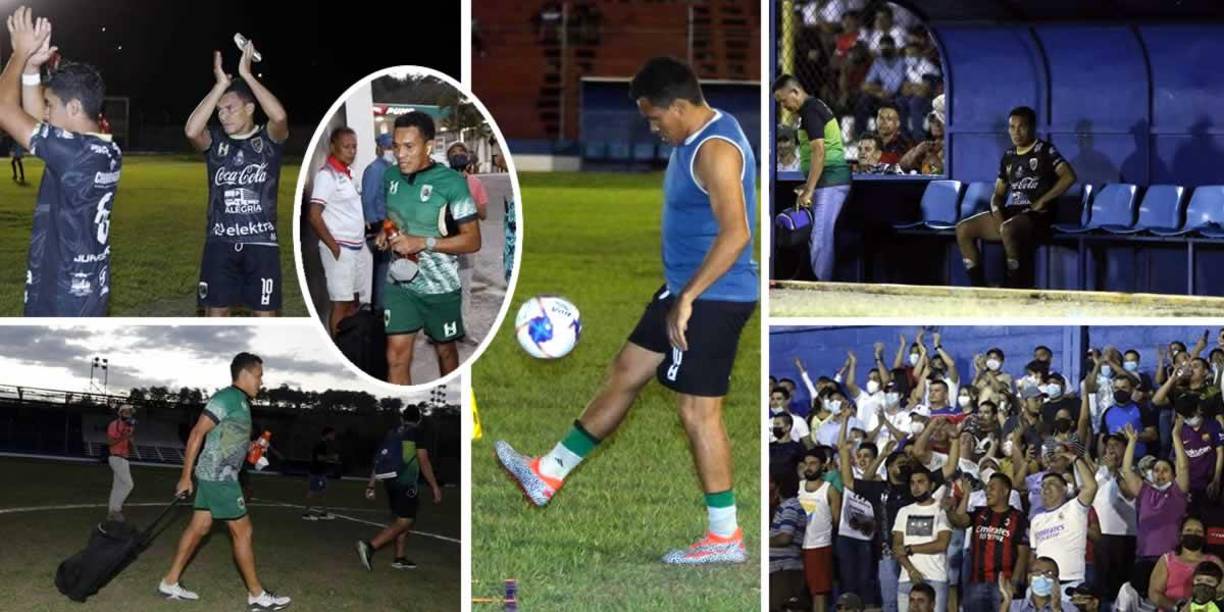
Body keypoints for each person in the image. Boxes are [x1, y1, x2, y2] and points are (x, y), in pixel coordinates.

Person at [496, 57, 757, 565]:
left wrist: (688, 298)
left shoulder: (716, 151)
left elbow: (737, 233)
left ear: (679, 106)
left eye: (655, 117)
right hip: (684, 289)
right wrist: (679, 292)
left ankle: (724, 537)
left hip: (714, 297)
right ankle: (548, 473)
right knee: (625, 371)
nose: (652, 127)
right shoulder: (691, 138)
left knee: (697, 412)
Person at [0, 8, 120, 316]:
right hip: (88, 291)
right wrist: (32, 71)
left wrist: (20, 53)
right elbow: (39, 118)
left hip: (59, 294)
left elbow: (4, 109)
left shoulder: (74, 155)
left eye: (51, 104)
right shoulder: (106, 151)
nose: (46, 113)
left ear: (76, 107)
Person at [158, 353, 291, 610]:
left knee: (199, 528)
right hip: (219, 477)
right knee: (243, 530)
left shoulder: (240, 403)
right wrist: (185, 476)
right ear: (244, 374)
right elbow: (197, 432)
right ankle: (257, 596)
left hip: (217, 474)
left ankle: (170, 582)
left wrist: (253, 448)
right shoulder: (227, 397)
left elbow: (228, 438)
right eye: (259, 376)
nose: (261, 383)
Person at [377, 111, 481, 385]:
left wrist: (424, 242)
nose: (400, 154)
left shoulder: (453, 183)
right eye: (395, 146)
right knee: (396, 357)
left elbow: (473, 240)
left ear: (428, 146)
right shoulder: (390, 177)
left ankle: (447, 401)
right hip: (400, 284)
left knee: (445, 351)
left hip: (440, 288)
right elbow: (393, 217)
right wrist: (383, 232)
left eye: (408, 146)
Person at [185, 42, 288, 317]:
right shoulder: (216, 141)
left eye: (230, 108)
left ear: (250, 108)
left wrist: (247, 74)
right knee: (214, 317)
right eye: (220, 111)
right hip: (220, 244)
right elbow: (192, 131)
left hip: (262, 245)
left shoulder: (269, 139)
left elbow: (279, 116)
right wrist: (220, 86)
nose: (222, 115)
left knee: (265, 318)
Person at [954, 106, 1077, 288]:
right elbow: (998, 193)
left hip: (1038, 214)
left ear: (1032, 128)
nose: (1016, 132)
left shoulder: (1045, 150)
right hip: (1013, 211)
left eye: (1021, 127)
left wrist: (1043, 200)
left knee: (1008, 229)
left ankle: (1015, 287)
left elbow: (1069, 177)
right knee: (963, 228)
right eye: (1012, 127)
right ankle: (978, 287)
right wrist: (996, 210)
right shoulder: (1009, 156)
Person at [771, 74, 851, 282]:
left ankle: (822, 290)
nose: (783, 106)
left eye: (783, 100)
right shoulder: (812, 108)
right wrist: (809, 185)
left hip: (830, 181)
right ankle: (817, 281)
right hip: (825, 182)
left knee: (820, 238)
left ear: (795, 92)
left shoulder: (810, 111)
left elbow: (819, 151)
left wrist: (809, 189)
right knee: (815, 236)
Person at [357, 404, 443, 571]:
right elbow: (423, 461)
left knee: (402, 519)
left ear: (402, 418)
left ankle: (399, 557)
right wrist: (435, 486)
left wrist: (371, 484)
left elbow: (380, 460)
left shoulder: (393, 433)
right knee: (406, 520)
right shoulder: (416, 433)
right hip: (406, 483)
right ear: (419, 420)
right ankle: (370, 546)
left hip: (390, 481)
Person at [308, 127, 371, 336]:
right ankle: (339, 346)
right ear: (333, 147)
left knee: (352, 302)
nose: (351, 151)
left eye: (354, 147)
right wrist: (335, 248)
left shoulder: (349, 174)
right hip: (340, 250)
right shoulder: (327, 176)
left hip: (355, 248)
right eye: (346, 146)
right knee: (340, 305)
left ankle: (350, 346)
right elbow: (314, 216)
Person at [949, 472, 1030, 611]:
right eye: (987, 487)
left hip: (1004, 585)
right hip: (976, 583)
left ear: (1005, 491)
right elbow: (959, 521)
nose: (987, 491)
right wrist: (965, 496)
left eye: (992, 487)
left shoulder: (1018, 518)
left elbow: (1023, 553)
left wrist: (1015, 582)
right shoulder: (979, 513)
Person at [1028, 448, 1099, 587]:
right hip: (1041, 584)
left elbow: (1091, 487)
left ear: (1065, 489)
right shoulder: (1036, 520)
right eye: (1043, 485)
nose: (1046, 488)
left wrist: (1075, 459)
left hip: (1071, 582)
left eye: (1052, 484)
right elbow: (1033, 554)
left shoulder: (1075, 508)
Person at [1121, 419, 1190, 561]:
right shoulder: (1144, 491)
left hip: (1171, 557)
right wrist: (1132, 441)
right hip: (1144, 556)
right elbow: (1127, 470)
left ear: (1173, 475)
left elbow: (1183, 467)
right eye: (1156, 470)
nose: (1160, 474)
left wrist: (1176, 436)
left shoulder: (1177, 492)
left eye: (1165, 470)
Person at [446, 141, 489, 343]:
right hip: (446, 243)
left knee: (464, 289)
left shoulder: (475, 183)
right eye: (453, 154)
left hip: (468, 242)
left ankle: (463, 330)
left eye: (461, 154)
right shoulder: (441, 181)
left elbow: (483, 214)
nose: (458, 157)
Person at [893, 467, 952, 612]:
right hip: (907, 578)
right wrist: (911, 570)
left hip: (935, 577)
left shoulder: (942, 510)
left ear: (931, 485)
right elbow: (897, 547)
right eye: (912, 483)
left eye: (920, 482)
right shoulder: (904, 511)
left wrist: (910, 549)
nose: (916, 487)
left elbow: (942, 544)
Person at [1148, 516, 1224, 610]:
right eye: (1188, 530)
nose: (1193, 534)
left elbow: (1222, 591)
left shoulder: (1214, 561)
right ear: (1181, 535)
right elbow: (1154, 593)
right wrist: (1176, 607)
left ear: (1204, 536)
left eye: (1198, 531)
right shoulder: (1167, 560)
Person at [799, 449, 841, 611]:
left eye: (813, 463)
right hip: (797, 544)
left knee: (819, 593)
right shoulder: (798, 486)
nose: (808, 467)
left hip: (819, 546)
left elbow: (836, 521)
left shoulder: (830, 490)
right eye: (806, 464)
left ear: (823, 465)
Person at [361, 133, 395, 308]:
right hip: (378, 225)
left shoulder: (390, 168)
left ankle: (383, 309)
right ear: (380, 149)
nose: (391, 151)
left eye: (393, 147)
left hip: (388, 224)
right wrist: (371, 221)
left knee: (386, 270)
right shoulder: (375, 169)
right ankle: (379, 312)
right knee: (382, 270)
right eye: (388, 147)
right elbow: (368, 198)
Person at [769, 472, 808, 611]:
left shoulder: (790, 507)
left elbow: (785, 537)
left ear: (779, 486)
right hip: (782, 569)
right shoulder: (789, 506)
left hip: (784, 570)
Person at [998, 556, 1080, 611]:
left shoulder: (1070, 609)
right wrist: (1006, 601)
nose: (1042, 577)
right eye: (1037, 572)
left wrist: (1057, 609)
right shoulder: (1014, 606)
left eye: (1049, 573)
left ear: (1057, 580)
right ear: (1029, 577)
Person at [106, 404, 136, 522]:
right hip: (116, 457)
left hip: (124, 458)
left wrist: (131, 441)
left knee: (117, 487)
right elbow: (110, 442)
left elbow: (131, 448)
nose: (129, 415)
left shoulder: (129, 427)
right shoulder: (114, 424)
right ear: (121, 413)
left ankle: (111, 513)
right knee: (129, 485)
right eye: (126, 412)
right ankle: (116, 510)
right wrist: (124, 437)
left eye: (130, 413)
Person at [302, 426, 339, 521]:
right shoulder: (321, 444)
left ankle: (323, 513)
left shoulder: (323, 444)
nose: (334, 436)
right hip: (316, 472)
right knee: (312, 492)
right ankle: (306, 514)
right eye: (332, 434)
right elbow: (319, 458)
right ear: (327, 434)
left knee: (323, 491)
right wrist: (332, 457)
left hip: (319, 472)